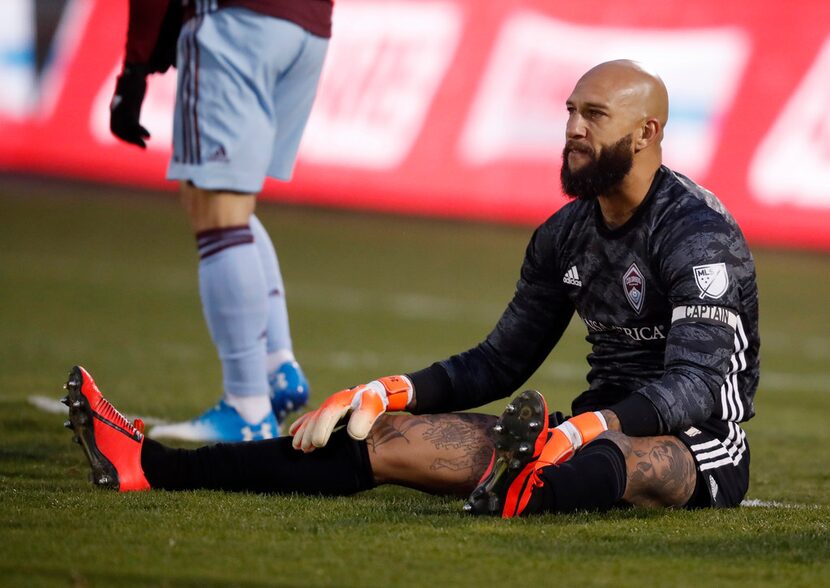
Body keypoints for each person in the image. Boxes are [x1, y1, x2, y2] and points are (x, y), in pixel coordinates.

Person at [66, 60, 759, 517]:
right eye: (571, 111)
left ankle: (528, 491)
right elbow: (500, 362)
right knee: (387, 437)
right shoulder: (562, 235)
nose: (573, 129)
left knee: (630, 460)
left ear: (648, 133)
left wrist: (586, 428)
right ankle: (150, 465)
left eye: (595, 116)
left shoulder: (697, 234)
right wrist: (390, 390)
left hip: (695, 443)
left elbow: (696, 386)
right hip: (574, 436)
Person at [108, 0, 334, 441]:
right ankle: (274, 368)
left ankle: (246, 407)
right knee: (232, 199)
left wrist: (135, 64)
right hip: (311, 29)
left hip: (237, 20)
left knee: (216, 204)